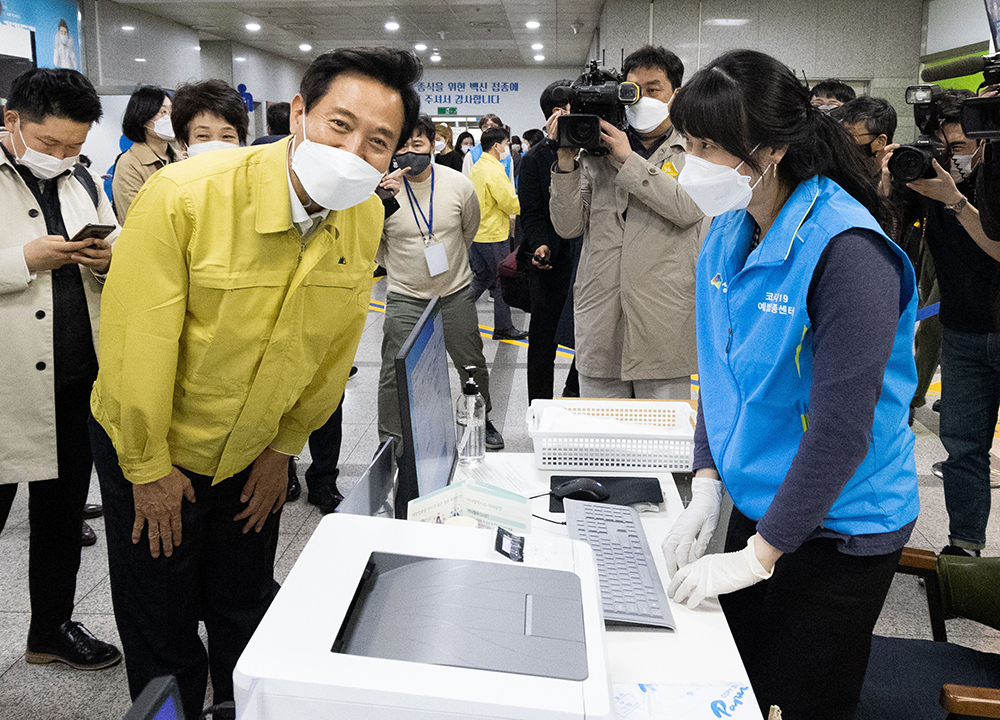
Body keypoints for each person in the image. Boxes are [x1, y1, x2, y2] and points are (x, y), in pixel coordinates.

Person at [87, 47, 421, 718]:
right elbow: (136, 346)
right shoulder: (186, 196)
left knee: (244, 608)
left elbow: (333, 349)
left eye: (377, 141)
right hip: (155, 446)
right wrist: (149, 468)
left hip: (255, 450)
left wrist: (283, 450)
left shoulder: (359, 214)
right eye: (339, 125)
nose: (354, 151)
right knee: (166, 626)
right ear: (298, 113)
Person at [662, 49, 920, 720]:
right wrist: (706, 482)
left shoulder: (847, 252)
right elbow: (717, 368)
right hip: (761, 499)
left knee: (796, 700)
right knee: (740, 683)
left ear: (771, 150)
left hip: (839, 526)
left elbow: (840, 431)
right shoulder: (728, 229)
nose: (691, 163)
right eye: (686, 144)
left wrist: (758, 555)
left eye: (708, 147)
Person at [0, 67, 121, 671]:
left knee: (60, 518)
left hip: (75, 382)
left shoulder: (79, 177)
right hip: (5, 385)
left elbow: (116, 245)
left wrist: (105, 256)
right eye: (50, 145)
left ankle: (50, 631)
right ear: (12, 121)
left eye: (75, 146)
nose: (63, 156)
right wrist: (24, 257)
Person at [550, 45, 707, 399]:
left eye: (655, 89)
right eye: (635, 89)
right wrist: (565, 161)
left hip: (663, 321)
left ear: (676, 95)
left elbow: (688, 209)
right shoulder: (595, 149)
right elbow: (568, 226)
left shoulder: (694, 149)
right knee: (602, 442)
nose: (644, 98)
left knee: (661, 442)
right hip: (601, 316)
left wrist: (629, 159)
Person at [885, 89, 1000, 555]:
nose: (954, 158)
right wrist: (885, 174)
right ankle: (964, 546)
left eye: (962, 147)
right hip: (963, 330)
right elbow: (888, 224)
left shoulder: (987, 183)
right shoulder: (931, 179)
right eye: (945, 147)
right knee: (963, 448)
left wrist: (954, 200)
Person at [376, 115, 505, 451]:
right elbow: (373, 246)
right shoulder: (381, 192)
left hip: (454, 292)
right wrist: (381, 205)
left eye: (416, 145)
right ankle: (392, 438)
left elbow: (468, 229)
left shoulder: (458, 184)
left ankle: (482, 417)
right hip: (405, 296)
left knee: (471, 362)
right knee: (394, 372)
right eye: (401, 146)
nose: (409, 153)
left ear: (432, 144)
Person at [520, 80, 581, 401]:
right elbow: (530, 212)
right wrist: (539, 242)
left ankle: (573, 397)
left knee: (587, 342)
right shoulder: (535, 160)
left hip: (589, 263)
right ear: (558, 114)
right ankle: (539, 408)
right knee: (543, 344)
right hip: (551, 266)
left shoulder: (597, 150)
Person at [469, 127, 527, 342]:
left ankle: (453, 313)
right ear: (496, 146)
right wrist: (529, 203)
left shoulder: (478, 167)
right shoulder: (494, 170)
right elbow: (509, 203)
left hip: (478, 233)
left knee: (483, 276)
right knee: (502, 281)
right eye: (505, 144)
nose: (507, 149)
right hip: (493, 234)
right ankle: (503, 327)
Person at [112, 85, 177, 223]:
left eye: (171, 111)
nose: (169, 117)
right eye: (162, 111)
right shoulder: (129, 164)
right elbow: (135, 218)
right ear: (143, 117)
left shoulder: (181, 157)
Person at [170, 79, 248, 157]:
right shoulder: (171, 169)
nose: (216, 147)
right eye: (203, 136)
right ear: (183, 145)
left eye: (227, 136)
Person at [833, 95, 896, 174]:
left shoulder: (903, 179)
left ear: (880, 142)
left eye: (850, 135)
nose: (843, 141)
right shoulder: (836, 174)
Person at [462, 114, 514, 182]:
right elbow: (466, 181)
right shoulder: (472, 154)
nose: (489, 129)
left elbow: (511, 181)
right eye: (485, 126)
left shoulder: (506, 154)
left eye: (493, 126)